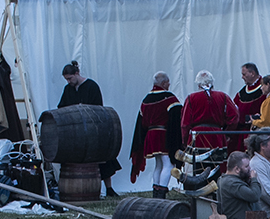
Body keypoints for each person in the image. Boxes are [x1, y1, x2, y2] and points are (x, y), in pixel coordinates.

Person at [58, 61, 120, 193]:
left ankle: (109, 188)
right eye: (66, 79)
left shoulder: (91, 86)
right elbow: (62, 107)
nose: (68, 82)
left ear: (76, 73)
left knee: (102, 157)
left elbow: (98, 108)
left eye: (70, 78)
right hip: (76, 131)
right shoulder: (68, 89)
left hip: (93, 128)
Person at [128, 71, 183, 191]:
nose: (169, 85)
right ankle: (162, 191)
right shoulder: (169, 98)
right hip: (163, 135)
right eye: (168, 82)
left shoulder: (146, 99)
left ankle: (156, 190)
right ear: (163, 83)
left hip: (150, 136)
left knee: (159, 165)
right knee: (168, 164)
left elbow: (141, 123)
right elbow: (177, 118)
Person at [181, 71, 242, 151]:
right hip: (216, 136)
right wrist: (227, 133)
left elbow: (185, 124)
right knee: (216, 161)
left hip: (198, 136)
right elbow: (234, 116)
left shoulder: (191, 98)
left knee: (198, 162)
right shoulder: (223, 96)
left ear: (198, 84)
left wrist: (185, 141)